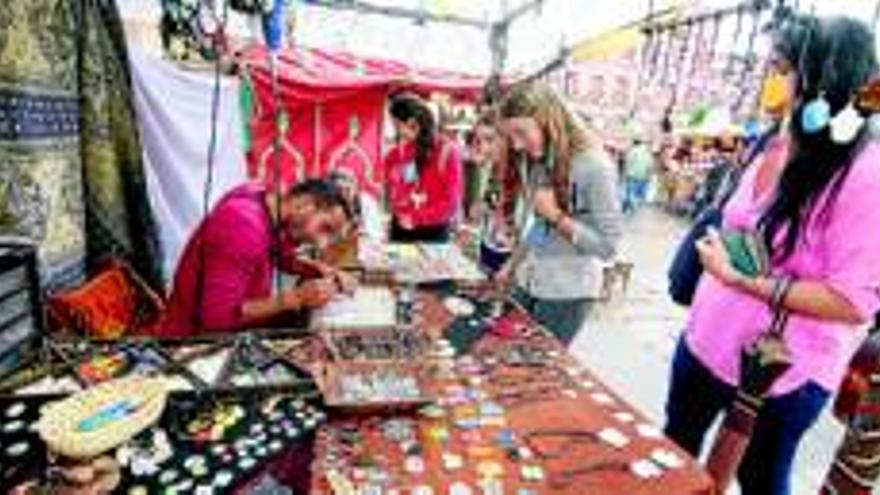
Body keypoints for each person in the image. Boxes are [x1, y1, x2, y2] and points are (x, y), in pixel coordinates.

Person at [664, 15, 880, 495]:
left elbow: (851, 302)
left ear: (823, 81)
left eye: (781, 68)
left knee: (757, 478)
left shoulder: (867, 175)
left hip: (782, 371)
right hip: (704, 343)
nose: (770, 81)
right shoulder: (777, 139)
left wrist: (741, 280)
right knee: (676, 452)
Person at [495, 84, 623, 345]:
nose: (517, 145)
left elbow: (608, 248)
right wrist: (513, 263)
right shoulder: (542, 159)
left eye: (521, 132)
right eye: (511, 136)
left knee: (537, 370)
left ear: (547, 119)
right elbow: (539, 227)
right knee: (506, 350)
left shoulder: (595, 166)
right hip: (530, 282)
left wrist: (557, 217)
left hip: (567, 293)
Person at [160, 179, 353, 338]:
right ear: (304, 204)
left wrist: (318, 270)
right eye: (325, 228)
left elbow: (277, 252)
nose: (321, 243)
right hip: (192, 347)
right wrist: (296, 297)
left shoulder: (261, 195)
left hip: (226, 336)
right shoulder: (243, 226)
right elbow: (217, 319)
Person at [384, 93, 463, 243]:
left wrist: (417, 217)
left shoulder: (448, 152)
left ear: (413, 123)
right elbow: (404, 186)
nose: (397, 132)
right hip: (402, 229)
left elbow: (451, 203)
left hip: (433, 233)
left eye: (397, 125)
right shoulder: (401, 151)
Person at [327, 168, 384, 241]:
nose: (343, 194)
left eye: (347, 189)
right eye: (339, 190)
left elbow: (375, 234)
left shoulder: (366, 203)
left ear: (355, 188)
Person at [622, 138, 654, 215]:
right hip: (643, 176)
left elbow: (628, 163)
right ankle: (634, 206)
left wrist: (625, 174)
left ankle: (631, 207)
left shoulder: (631, 152)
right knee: (639, 193)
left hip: (632, 175)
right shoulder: (647, 152)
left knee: (631, 192)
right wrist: (649, 175)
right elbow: (650, 165)